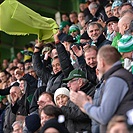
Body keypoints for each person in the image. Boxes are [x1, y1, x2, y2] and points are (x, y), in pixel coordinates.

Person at [70, 45, 133, 133]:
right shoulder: (119, 75)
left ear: (102, 62)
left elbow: (103, 116)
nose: (97, 67)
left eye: (97, 62)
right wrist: (90, 105)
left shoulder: (115, 79)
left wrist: (84, 103)